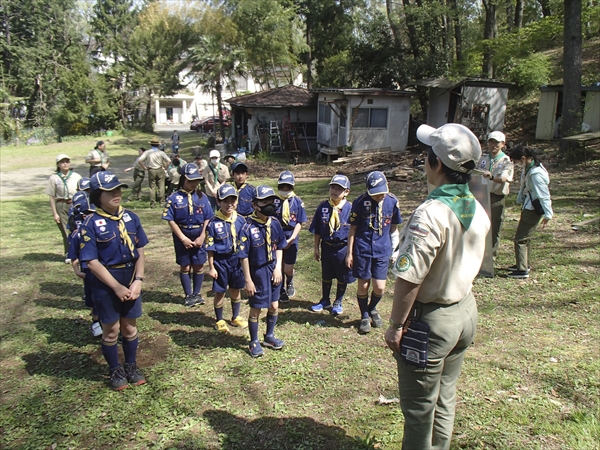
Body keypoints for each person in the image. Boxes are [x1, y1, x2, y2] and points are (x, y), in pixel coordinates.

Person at [384, 123, 490, 450]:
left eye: (427, 154)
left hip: (431, 322)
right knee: (445, 396)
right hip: (464, 312)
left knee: (418, 410)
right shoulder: (474, 204)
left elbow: (410, 278)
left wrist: (396, 325)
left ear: (437, 164)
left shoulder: (431, 214)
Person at [79, 171, 149, 391]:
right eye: (110, 192)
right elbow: (91, 262)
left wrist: (138, 280)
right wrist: (117, 287)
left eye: (118, 189)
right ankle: (115, 369)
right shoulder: (90, 223)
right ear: (97, 195)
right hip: (106, 282)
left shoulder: (131, 218)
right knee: (111, 330)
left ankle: (130, 365)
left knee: (129, 327)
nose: (116, 194)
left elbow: (140, 250)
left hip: (130, 278)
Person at [346, 171, 401, 334]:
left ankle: (372, 308)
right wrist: (350, 253)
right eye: (375, 194)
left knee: (380, 287)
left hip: (382, 250)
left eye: (381, 193)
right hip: (362, 250)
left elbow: (394, 228)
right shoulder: (359, 202)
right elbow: (352, 229)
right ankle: (364, 315)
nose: (379, 196)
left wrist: (395, 251)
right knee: (363, 285)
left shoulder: (392, 202)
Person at [237, 185, 287, 357]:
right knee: (257, 308)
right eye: (264, 202)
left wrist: (278, 267)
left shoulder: (275, 223)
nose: (269, 205)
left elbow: (280, 246)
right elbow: (243, 256)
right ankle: (253, 341)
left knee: (274, 304)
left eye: (271, 201)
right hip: (257, 271)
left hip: (273, 268)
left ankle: (269, 336)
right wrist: (248, 280)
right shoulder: (247, 227)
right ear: (254, 205)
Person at [162, 163, 214, 306]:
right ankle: (188, 295)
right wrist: (183, 238)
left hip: (199, 235)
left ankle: (197, 293)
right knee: (185, 266)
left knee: (198, 265)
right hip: (182, 236)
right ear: (183, 179)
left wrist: (203, 236)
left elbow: (208, 217)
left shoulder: (202, 197)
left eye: (196, 180)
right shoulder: (173, 197)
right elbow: (170, 219)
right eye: (190, 180)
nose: (193, 183)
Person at [309, 175, 356, 315]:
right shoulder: (323, 207)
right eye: (332, 187)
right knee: (326, 274)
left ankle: (338, 300)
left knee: (342, 275)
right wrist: (316, 247)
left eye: (339, 189)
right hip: (327, 246)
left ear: (346, 192)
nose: (334, 191)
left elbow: (354, 232)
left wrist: (350, 253)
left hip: (343, 248)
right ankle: (325, 300)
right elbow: (317, 229)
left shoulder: (351, 209)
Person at [205, 184, 249, 332]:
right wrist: (211, 267)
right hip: (221, 262)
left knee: (236, 289)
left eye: (232, 200)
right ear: (219, 202)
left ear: (236, 201)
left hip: (237, 261)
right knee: (220, 291)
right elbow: (210, 248)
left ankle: (235, 316)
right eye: (225, 201)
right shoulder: (213, 223)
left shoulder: (241, 220)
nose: (229, 204)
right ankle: (219, 319)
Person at [508, 145, 553, 279]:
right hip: (528, 206)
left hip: (532, 209)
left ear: (523, 158)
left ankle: (522, 270)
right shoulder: (531, 168)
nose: (516, 164)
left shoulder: (535, 174)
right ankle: (524, 263)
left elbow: (544, 194)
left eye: (516, 161)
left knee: (520, 239)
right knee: (525, 238)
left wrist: (548, 214)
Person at [66, 191, 102, 337]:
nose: (88, 216)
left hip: (105, 269)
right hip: (88, 271)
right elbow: (73, 256)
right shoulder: (77, 235)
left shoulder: (102, 229)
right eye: (85, 214)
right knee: (92, 298)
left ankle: (109, 321)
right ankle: (95, 322)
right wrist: (76, 270)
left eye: (91, 213)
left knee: (106, 297)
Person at [273, 171, 307, 302]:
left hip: (291, 236)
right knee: (278, 265)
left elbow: (300, 222)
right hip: (278, 236)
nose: (285, 190)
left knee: (288, 268)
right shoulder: (274, 201)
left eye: (288, 187)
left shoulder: (297, 202)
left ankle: (290, 281)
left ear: (292, 187)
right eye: (282, 187)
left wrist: (292, 238)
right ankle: (281, 289)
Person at [481, 131, 514, 259]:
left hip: (496, 197)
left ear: (502, 144)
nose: (493, 145)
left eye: (496, 142)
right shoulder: (483, 158)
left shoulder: (506, 161)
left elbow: (504, 178)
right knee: (481, 224)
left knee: (494, 226)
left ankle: (491, 254)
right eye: (491, 142)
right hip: (482, 196)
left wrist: (492, 177)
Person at [45, 154, 82, 263]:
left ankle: (79, 252)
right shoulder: (54, 178)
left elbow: (82, 191)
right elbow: (52, 197)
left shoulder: (76, 176)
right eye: (62, 162)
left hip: (75, 204)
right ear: (58, 164)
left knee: (77, 228)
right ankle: (70, 254)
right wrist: (55, 213)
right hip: (61, 204)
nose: (65, 164)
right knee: (66, 230)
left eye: (67, 161)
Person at [138, 138, 170, 208]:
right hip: (160, 169)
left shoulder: (147, 152)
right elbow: (169, 161)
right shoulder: (161, 152)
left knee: (152, 187)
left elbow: (140, 160)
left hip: (151, 170)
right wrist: (165, 168)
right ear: (158, 145)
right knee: (161, 186)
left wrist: (144, 167)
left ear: (151, 144)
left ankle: (153, 203)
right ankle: (162, 202)